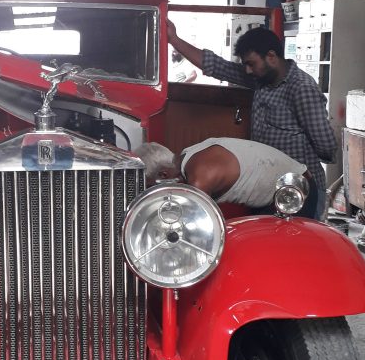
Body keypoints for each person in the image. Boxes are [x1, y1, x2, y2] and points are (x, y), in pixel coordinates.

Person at [166, 21, 335, 219]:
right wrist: (173, 39)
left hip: (299, 191)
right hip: (267, 188)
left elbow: (327, 146)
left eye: (250, 64)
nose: (247, 70)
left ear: (271, 57)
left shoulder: (301, 88)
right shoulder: (260, 78)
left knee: (297, 246)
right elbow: (216, 66)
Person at [135, 138, 319, 219]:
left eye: (152, 186)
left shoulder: (200, 177)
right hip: (272, 195)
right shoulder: (188, 156)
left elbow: (198, 224)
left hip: (295, 193)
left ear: (164, 175)